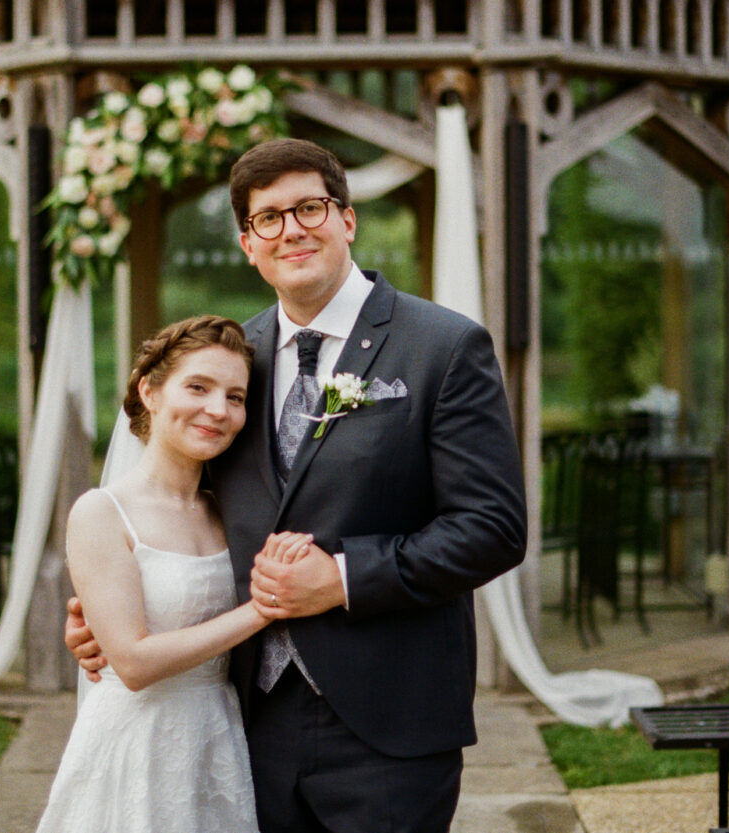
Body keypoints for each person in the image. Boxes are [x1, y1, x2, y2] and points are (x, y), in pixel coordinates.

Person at [67, 138, 527, 833]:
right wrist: (121, 609)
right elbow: (192, 508)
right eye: (269, 218)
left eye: (309, 207)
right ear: (249, 243)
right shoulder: (233, 364)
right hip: (248, 722)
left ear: (346, 219)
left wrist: (341, 577)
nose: (293, 229)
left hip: (390, 727)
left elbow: (492, 528)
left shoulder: (443, 347)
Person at [37, 315, 314, 833]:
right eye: (198, 387)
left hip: (218, 739)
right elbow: (135, 664)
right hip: (136, 745)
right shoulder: (102, 512)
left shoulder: (230, 514)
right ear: (150, 391)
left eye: (235, 397)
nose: (218, 410)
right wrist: (261, 609)